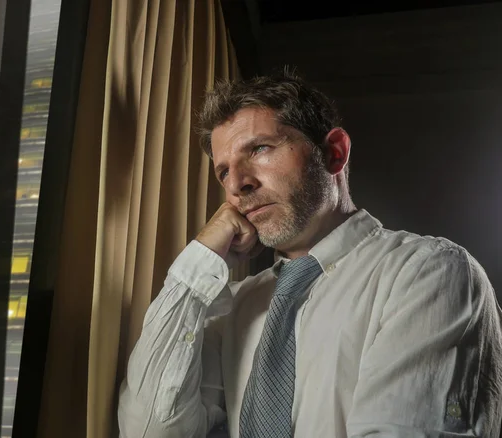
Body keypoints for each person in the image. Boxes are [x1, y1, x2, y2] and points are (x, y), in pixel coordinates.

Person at [117, 70, 502, 437]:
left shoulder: (428, 274)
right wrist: (197, 264)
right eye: (223, 171)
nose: (237, 185)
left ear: (334, 153)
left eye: (260, 148)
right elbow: (151, 430)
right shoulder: (233, 306)